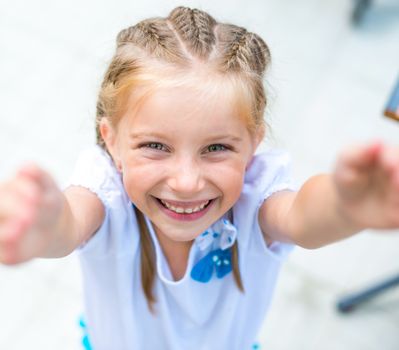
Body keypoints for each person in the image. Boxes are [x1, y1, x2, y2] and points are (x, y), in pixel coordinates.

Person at [0, 6, 398, 350]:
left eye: (216, 148)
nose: (187, 182)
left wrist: (345, 207)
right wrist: (46, 226)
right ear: (112, 141)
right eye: (155, 146)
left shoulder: (256, 196)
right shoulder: (105, 193)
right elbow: (70, 221)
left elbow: (303, 217)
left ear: (254, 142)